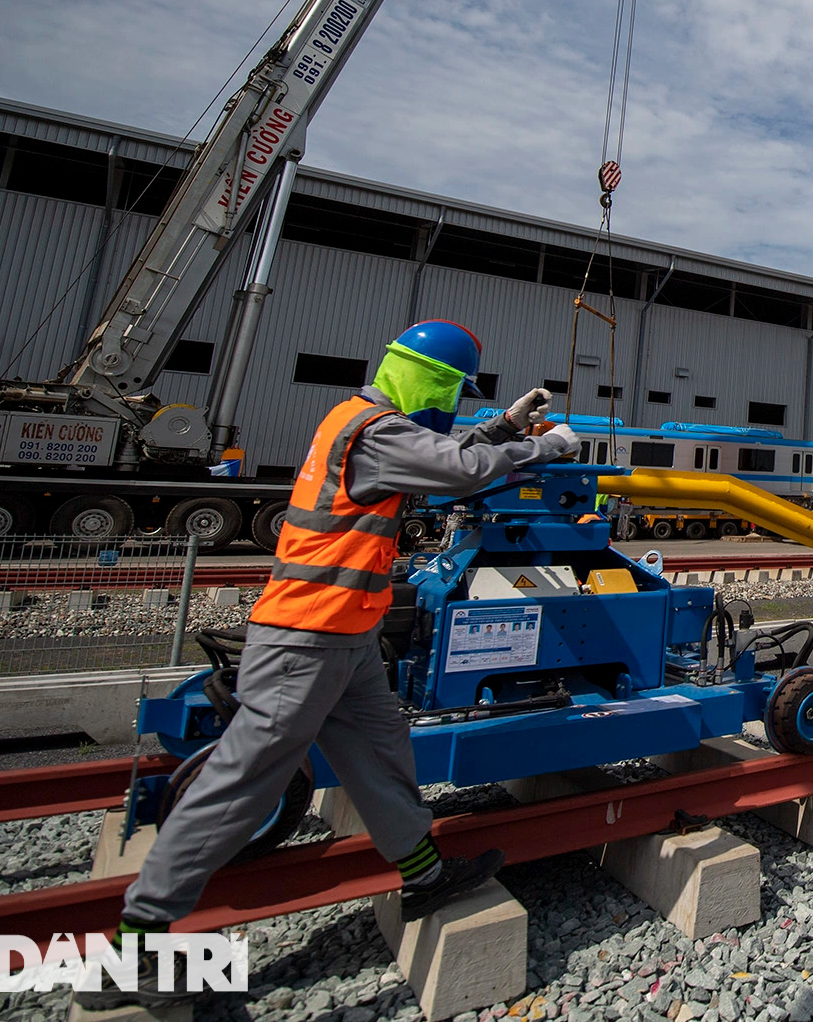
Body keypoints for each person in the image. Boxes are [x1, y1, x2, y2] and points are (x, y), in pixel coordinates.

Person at [78, 320, 578, 1011]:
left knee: (381, 751)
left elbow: (443, 451)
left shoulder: (362, 419)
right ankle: (133, 951)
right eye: (452, 390)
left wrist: (502, 424)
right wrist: (542, 444)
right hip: (305, 638)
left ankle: (424, 875)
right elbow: (457, 469)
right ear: (429, 380)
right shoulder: (375, 429)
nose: (450, 402)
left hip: (344, 637)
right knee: (242, 784)